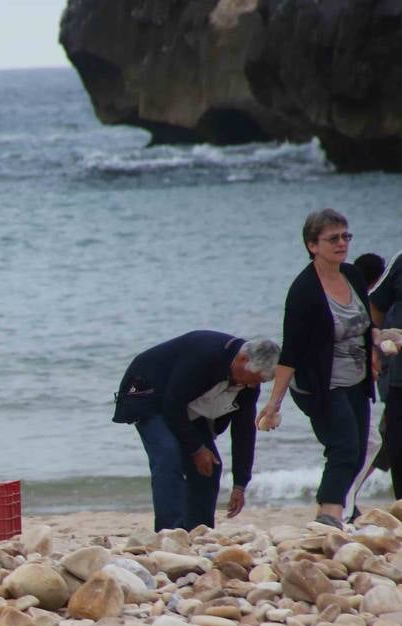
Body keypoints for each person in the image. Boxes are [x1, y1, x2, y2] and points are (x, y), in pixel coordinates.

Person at [257, 209, 379, 530]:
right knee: (343, 446)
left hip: (357, 380)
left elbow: (363, 326)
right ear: (313, 245)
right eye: (333, 238)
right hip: (320, 385)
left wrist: (376, 354)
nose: (342, 243)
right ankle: (329, 515)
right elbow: (291, 352)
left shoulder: (351, 276)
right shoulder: (304, 292)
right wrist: (273, 404)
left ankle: (341, 510)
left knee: (360, 449)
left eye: (346, 236)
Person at [114, 332, 279, 531]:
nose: (253, 385)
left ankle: (199, 531)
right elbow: (172, 404)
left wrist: (240, 484)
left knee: (210, 466)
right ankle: (170, 531)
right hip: (147, 393)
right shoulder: (205, 356)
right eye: (255, 379)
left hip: (186, 404)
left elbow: (243, 432)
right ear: (243, 360)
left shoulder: (249, 382)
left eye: (260, 382)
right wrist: (197, 448)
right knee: (168, 455)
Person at [368, 252, 402, 498]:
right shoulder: (400, 261)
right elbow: (375, 305)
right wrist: (373, 349)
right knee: (395, 444)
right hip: (398, 379)